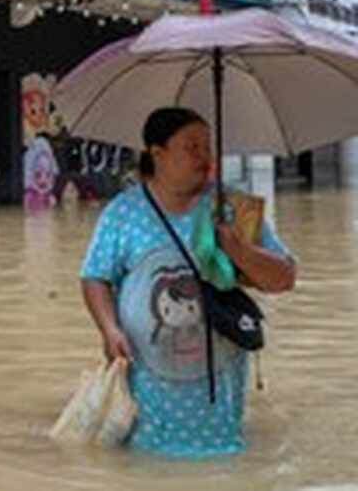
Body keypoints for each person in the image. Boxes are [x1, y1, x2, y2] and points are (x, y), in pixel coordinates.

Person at [79, 107, 297, 457]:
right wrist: (109, 330)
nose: (204, 156)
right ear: (158, 153)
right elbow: (95, 276)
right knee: (149, 461)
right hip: (147, 384)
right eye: (191, 146)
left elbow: (283, 279)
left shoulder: (232, 208)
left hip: (220, 384)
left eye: (208, 146)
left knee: (223, 458)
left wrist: (240, 250)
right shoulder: (123, 212)